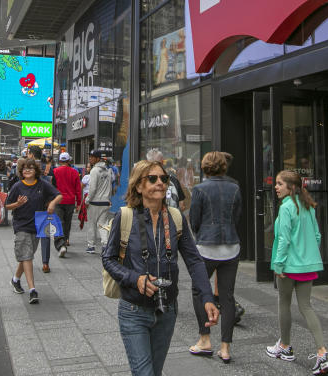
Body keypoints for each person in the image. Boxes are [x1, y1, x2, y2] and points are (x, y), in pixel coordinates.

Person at [102, 159, 220, 376]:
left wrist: (207, 297)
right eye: (153, 179)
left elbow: (194, 260)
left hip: (167, 311)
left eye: (164, 179)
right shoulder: (125, 216)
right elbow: (108, 259)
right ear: (139, 186)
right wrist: (134, 279)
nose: (160, 183)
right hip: (133, 310)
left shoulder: (175, 218)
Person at [265, 170, 328, 375]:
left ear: (291, 187)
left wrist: (278, 264)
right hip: (308, 265)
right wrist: (308, 255)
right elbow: (317, 235)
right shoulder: (308, 207)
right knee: (306, 306)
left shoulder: (286, 208)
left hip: (288, 266)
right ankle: (322, 352)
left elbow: (284, 240)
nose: (276, 187)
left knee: (284, 303)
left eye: (280, 184)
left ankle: (285, 347)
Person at [188, 151, 242, 363]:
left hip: (206, 248)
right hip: (231, 247)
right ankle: (226, 348)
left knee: (199, 290)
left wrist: (201, 235)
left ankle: (205, 339)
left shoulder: (200, 189)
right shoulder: (235, 187)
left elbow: (194, 220)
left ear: (204, 167)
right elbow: (237, 217)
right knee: (227, 297)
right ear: (223, 166)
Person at [4, 157, 61, 304]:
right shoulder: (17, 186)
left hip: (38, 224)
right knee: (28, 256)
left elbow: (59, 195)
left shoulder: (43, 184)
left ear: (36, 171)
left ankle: (15, 279)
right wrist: (18, 203)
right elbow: (7, 205)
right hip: (21, 225)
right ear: (21, 171)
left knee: (26, 255)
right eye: (25, 168)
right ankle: (32, 290)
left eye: (31, 168)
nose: (28, 170)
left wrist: (52, 203)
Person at [27, 145, 53, 271]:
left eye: (28, 154)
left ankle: (27, 261)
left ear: (31, 154)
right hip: (44, 204)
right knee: (45, 234)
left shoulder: (27, 167)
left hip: (30, 205)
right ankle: (45, 263)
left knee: (27, 234)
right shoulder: (48, 167)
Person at [52, 151, 82, 257]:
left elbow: (52, 187)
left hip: (58, 200)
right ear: (69, 161)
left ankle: (61, 245)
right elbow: (78, 189)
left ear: (60, 161)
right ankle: (65, 241)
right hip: (70, 201)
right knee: (67, 223)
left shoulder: (55, 171)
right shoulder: (74, 172)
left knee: (58, 223)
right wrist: (79, 203)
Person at [85, 149, 114, 253]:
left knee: (91, 224)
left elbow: (92, 188)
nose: (90, 158)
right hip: (105, 202)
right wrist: (109, 199)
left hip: (94, 202)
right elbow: (110, 187)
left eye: (92, 157)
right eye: (90, 156)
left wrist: (87, 200)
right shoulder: (107, 170)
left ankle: (91, 246)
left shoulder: (94, 171)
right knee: (103, 225)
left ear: (98, 159)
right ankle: (105, 245)